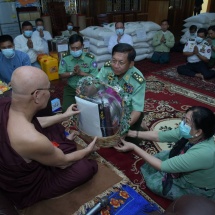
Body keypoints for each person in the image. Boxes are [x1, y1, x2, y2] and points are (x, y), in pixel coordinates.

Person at [0, 65, 98, 210]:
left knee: (55, 129)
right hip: (27, 187)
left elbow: (34, 123)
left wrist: (64, 115)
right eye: (49, 89)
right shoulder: (31, 138)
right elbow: (63, 162)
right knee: (86, 167)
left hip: (20, 154)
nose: (51, 93)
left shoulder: (5, 103)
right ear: (37, 95)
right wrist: (88, 150)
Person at [115, 106, 215, 200]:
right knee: (157, 159)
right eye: (183, 118)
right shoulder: (192, 134)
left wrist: (133, 147)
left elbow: (162, 166)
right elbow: (159, 136)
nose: (182, 123)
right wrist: (130, 133)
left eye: (187, 121)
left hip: (194, 186)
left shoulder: (203, 153)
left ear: (198, 132)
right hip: (188, 161)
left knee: (154, 184)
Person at [97, 43, 146, 142]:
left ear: (131, 64)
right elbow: (95, 85)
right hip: (108, 108)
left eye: (121, 63)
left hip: (127, 114)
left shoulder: (137, 80)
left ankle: (141, 127)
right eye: (114, 61)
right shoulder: (107, 68)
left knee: (126, 144)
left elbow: (136, 110)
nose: (116, 66)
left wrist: (121, 129)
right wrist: (86, 89)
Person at [58, 34, 98, 112]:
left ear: (82, 46)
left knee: (91, 110)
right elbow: (61, 75)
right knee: (66, 110)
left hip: (87, 89)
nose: (75, 51)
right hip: (71, 88)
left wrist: (81, 73)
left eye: (77, 48)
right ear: (69, 47)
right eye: (72, 48)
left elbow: (96, 77)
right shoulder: (65, 58)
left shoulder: (90, 59)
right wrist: (72, 73)